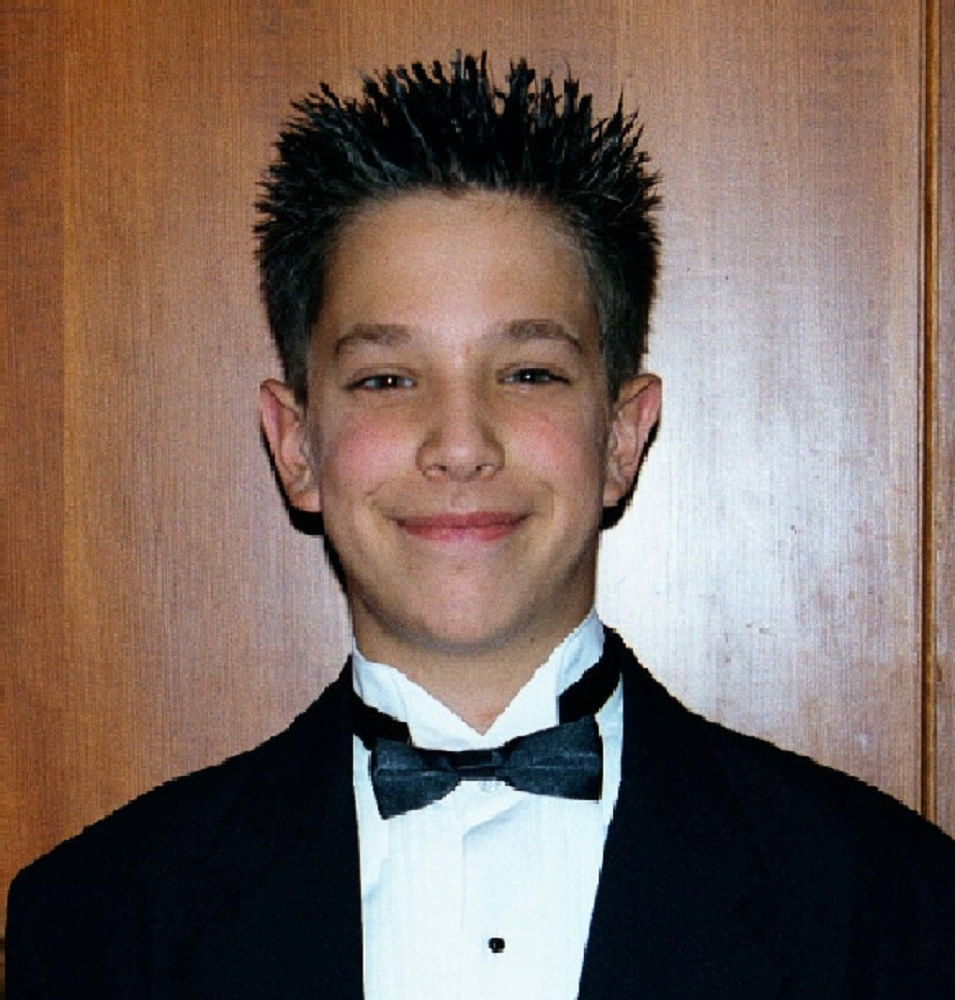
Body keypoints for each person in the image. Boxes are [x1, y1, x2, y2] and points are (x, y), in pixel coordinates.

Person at [6, 53, 954, 999]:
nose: (459, 446)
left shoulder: (894, 905)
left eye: (528, 373)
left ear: (621, 436)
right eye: (386, 379)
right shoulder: (97, 923)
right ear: (296, 445)